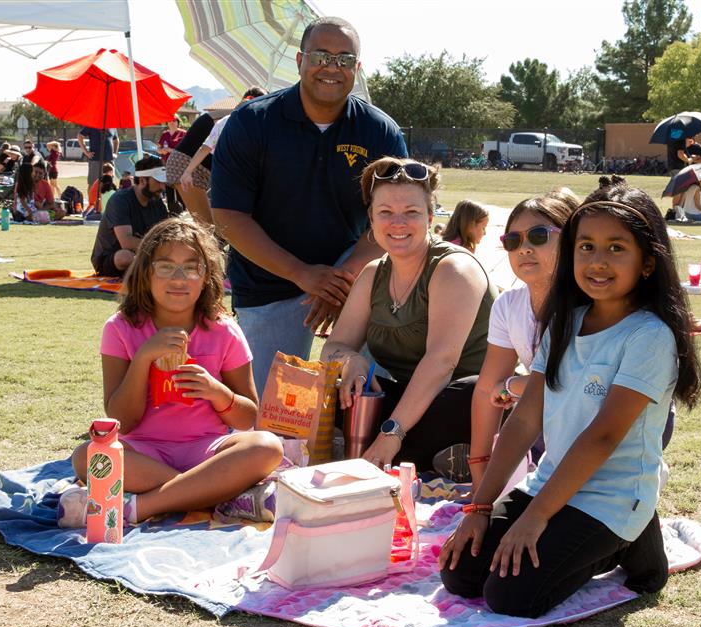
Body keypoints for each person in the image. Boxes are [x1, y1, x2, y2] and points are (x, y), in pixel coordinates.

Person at [438, 175, 701, 619]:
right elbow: (524, 421)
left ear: (647, 262)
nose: (598, 261)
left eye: (616, 248)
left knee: (511, 596)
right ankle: (619, 536)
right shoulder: (566, 319)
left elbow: (601, 438)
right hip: (553, 482)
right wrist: (480, 506)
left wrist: (535, 519)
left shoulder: (648, 337)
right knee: (461, 574)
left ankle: (632, 539)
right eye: (586, 246)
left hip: (609, 495)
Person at [212, 16, 408, 394]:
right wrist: (302, 275)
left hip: (354, 279)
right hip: (270, 280)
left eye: (344, 59)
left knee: (371, 396)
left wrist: (342, 279)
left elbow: (395, 218)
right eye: (321, 55)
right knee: (269, 414)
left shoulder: (379, 130)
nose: (332, 68)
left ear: (357, 68)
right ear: (300, 59)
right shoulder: (252, 122)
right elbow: (229, 217)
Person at [58, 217, 284, 527]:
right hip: (143, 452)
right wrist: (143, 360)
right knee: (87, 456)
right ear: (145, 274)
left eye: (191, 268)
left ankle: (137, 508)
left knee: (267, 446)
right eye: (165, 266)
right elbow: (123, 420)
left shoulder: (224, 331)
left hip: (207, 451)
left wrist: (217, 392)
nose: (179, 279)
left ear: (206, 277)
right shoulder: (121, 328)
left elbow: (247, 418)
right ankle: (220, 496)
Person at [320, 157, 496, 473]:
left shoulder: (454, 268)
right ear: (371, 220)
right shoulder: (373, 274)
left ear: (430, 217)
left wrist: (392, 432)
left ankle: (414, 453)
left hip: (464, 399)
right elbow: (333, 347)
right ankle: (437, 457)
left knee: (468, 393)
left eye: (411, 213)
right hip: (412, 403)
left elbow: (441, 363)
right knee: (337, 394)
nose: (398, 223)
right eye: (385, 212)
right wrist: (351, 360)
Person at [464, 189, 580, 490]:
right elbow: (487, 388)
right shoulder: (508, 305)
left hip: (603, 422)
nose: (524, 248)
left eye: (539, 235)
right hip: (549, 417)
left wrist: (513, 386)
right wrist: (479, 469)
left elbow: (573, 386)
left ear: (572, 239)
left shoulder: (588, 305)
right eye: (512, 241)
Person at [172, 88, 267, 227]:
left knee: (223, 224)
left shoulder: (224, 121)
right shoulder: (258, 125)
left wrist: (188, 172)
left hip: (225, 181)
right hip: (239, 181)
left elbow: (204, 148)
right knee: (219, 224)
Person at [90, 156, 169, 277]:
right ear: (143, 180)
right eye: (158, 182)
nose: (163, 187)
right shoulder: (120, 200)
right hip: (111, 258)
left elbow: (166, 235)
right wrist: (160, 249)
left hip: (145, 254)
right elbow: (126, 242)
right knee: (125, 257)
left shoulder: (157, 202)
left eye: (163, 183)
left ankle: (149, 270)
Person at [157, 115, 187, 214]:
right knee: (169, 187)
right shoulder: (164, 134)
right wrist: (162, 151)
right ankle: (171, 210)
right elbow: (158, 149)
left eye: (174, 121)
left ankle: (182, 209)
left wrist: (170, 150)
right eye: (170, 121)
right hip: (167, 165)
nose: (172, 122)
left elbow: (185, 149)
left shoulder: (183, 134)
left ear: (178, 122)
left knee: (179, 186)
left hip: (179, 165)